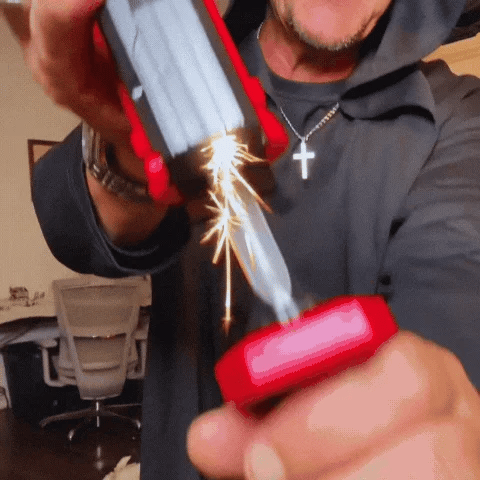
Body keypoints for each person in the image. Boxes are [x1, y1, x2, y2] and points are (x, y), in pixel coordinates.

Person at [5, 0, 480, 478]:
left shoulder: (455, 113)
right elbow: (70, 225)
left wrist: (433, 404)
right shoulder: (180, 61)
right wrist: (134, 151)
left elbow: (456, 292)